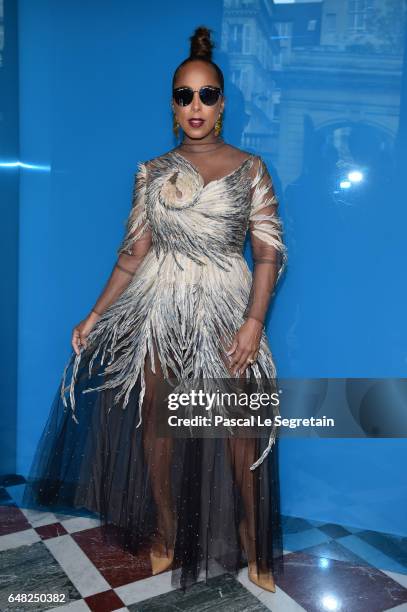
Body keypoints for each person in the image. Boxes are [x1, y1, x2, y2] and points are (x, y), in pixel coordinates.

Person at [23, 26, 288, 593]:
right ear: (173, 104)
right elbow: (131, 255)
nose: (196, 105)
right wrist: (93, 316)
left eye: (208, 95)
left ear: (222, 105)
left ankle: (250, 534)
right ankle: (166, 530)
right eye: (185, 94)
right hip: (158, 313)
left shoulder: (251, 169)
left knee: (239, 430)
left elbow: (267, 255)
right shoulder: (150, 172)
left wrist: (253, 321)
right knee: (158, 428)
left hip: (226, 309)